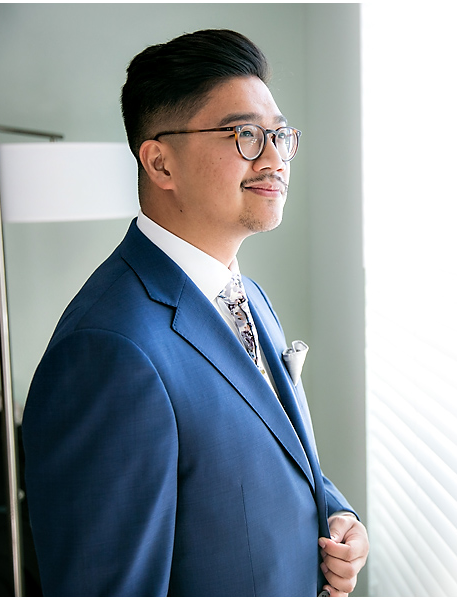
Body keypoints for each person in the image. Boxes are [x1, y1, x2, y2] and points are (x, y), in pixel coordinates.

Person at [21, 29, 368, 597]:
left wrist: (333, 515)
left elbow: (264, 457)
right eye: (245, 135)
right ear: (160, 162)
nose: (276, 157)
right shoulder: (108, 350)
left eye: (279, 135)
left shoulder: (248, 295)